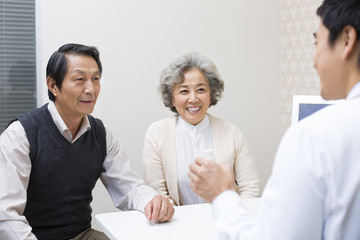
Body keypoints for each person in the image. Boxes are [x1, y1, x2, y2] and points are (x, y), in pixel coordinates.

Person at [188, 0, 360, 239]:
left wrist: (222, 195)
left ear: (347, 40)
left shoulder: (312, 137)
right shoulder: (158, 133)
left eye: (316, 42)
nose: (313, 61)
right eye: (184, 90)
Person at [0, 43, 174, 240]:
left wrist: (152, 200)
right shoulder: (20, 134)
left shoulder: (101, 133)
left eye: (96, 79)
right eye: (80, 79)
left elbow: (129, 187)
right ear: (53, 86)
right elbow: (6, 217)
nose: (91, 89)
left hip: (82, 234)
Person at [143, 52, 261, 206]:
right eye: (184, 91)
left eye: (200, 90)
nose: (193, 99)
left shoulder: (232, 133)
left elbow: (251, 189)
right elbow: (157, 194)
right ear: (172, 98)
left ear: (211, 94)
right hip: (176, 225)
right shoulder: (156, 133)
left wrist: (232, 216)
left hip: (226, 222)